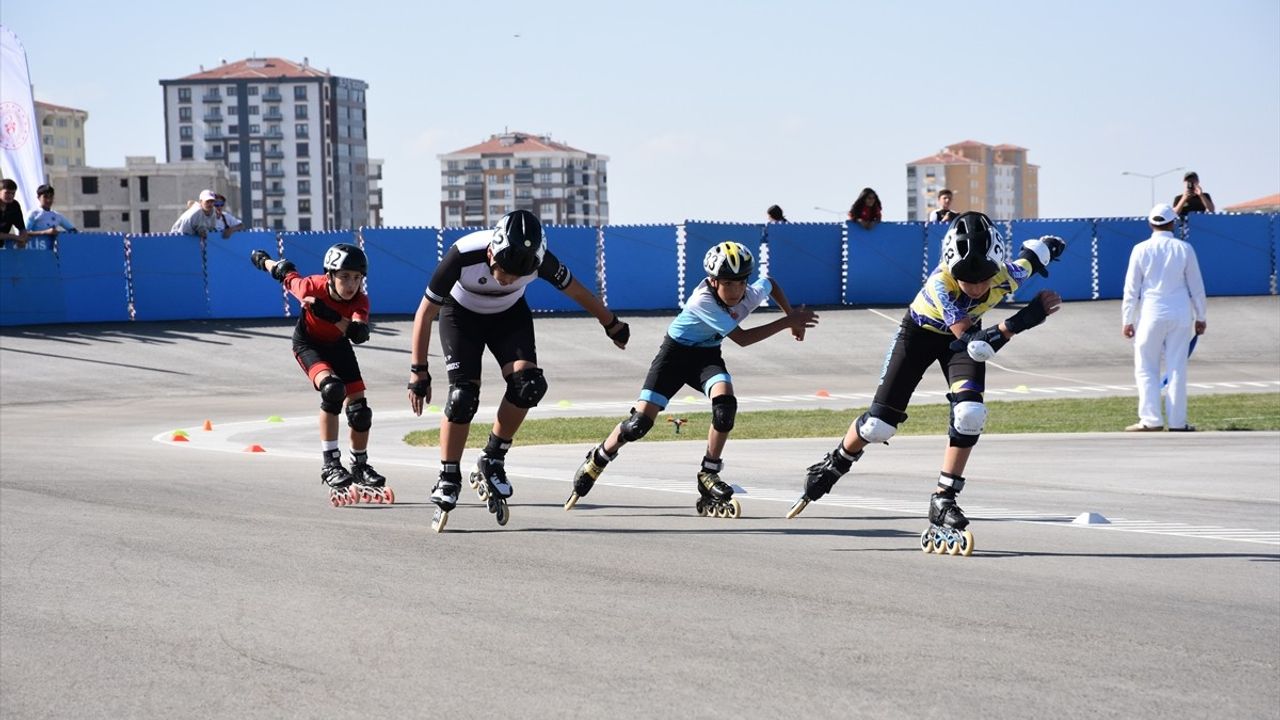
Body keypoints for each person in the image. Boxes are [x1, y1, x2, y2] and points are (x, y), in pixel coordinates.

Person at [786, 211, 1066, 557]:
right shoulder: (941, 285)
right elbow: (975, 345)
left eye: (984, 278)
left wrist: (1050, 247)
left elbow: (1030, 257)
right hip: (921, 336)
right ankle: (836, 460)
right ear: (951, 268)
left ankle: (943, 499)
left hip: (964, 341)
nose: (978, 287)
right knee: (878, 426)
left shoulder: (1007, 276)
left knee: (970, 414)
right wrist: (1023, 319)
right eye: (967, 277)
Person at [407, 209, 631, 532]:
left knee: (529, 386)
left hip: (508, 317)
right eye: (503, 271)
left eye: (515, 276)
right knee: (462, 398)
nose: (507, 280)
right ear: (490, 252)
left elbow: (578, 291)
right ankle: (448, 475)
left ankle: (493, 457)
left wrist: (610, 323)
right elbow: (425, 311)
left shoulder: (541, 262)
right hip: (461, 317)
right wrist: (419, 371)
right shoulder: (463, 254)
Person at [565, 241, 817, 517]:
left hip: (706, 357)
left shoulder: (748, 293)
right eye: (728, 284)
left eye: (740, 283)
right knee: (638, 425)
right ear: (713, 281)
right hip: (673, 357)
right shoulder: (702, 301)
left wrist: (790, 315)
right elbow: (743, 339)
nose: (736, 291)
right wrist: (789, 321)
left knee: (725, 407)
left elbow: (770, 283)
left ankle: (709, 472)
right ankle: (598, 457)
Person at [248, 242, 394, 506]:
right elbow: (284, 271)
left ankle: (359, 465)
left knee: (360, 411)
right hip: (309, 345)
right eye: (345, 277)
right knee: (333, 390)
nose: (351, 284)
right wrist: (263, 260)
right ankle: (330, 463)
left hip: (339, 345)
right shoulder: (309, 288)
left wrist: (330, 316)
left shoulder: (360, 299)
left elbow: (359, 334)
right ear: (329, 276)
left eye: (357, 278)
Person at [1121, 203, 1208, 432]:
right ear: (1173, 223)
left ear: (1151, 224)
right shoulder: (1184, 248)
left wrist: (1127, 320)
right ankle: (1178, 422)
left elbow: (1132, 289)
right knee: (1177, 368)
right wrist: (1201, 316)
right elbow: (1196, 286)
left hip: (1151, 313)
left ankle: (1151, 420)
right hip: (1180, 314)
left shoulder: (1140, 249)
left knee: (1146, 367)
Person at [1, 178, 30, 249]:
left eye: (13, 193)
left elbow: (22, 228)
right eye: (7, 193)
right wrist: (15, 237)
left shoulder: (14, 206)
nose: (11, 196)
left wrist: (23, 238)